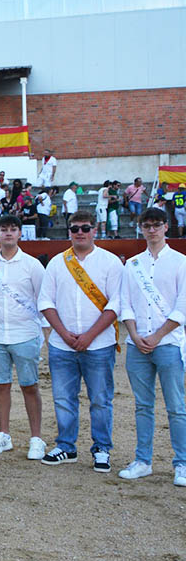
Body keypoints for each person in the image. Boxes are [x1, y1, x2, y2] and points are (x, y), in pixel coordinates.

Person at [38, 211, 122, 472]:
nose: (80, 233)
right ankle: (66, 446)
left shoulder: (110, 263)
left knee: (100, 399)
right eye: (75, 229)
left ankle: (102, 448)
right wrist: (63, 333)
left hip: (99, 344)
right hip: (62, 344)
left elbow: (116, 304)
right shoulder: (57, 263)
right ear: (69, 232)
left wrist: (90, 335)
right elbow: (45, 302)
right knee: (63, 398)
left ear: (95, 230)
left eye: (85, 228)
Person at [117, 207, 186, 486]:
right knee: (142, 405)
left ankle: (182, 463)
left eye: (157, 224)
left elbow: (183, 306)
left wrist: (157, 336)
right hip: (137, 344)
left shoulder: (181, 262)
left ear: (166, 227)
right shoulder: (132, 264)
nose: (152, 230)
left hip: (168, 342)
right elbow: (125, 303)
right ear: (141, 229)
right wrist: (134, 335)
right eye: (147, 225)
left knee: (176, 406)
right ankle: (143, 460)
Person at [0, 215, 48, 460]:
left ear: (20, 233)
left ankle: (36, 438)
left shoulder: (32, 265)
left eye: (13, 229)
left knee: (30, 385)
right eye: (4, 229)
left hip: (26, 334)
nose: (8, 233)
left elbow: (42, 299)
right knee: (1, 385)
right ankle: (4, 434)